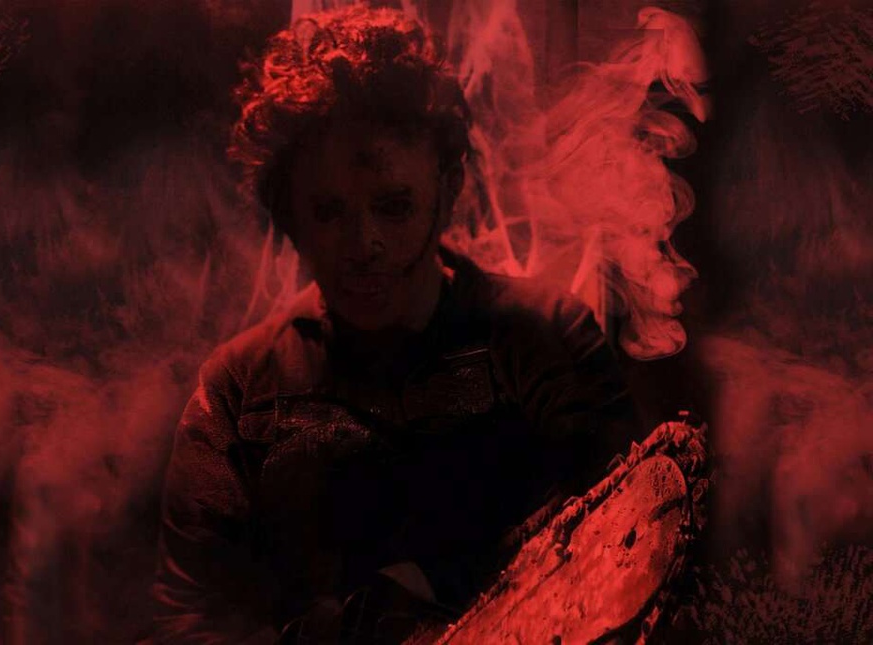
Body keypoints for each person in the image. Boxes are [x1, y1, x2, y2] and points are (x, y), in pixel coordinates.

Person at [150, 6, 641, 643]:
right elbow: (186, 621)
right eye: (329, 212)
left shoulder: (546, 343)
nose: (364, 245)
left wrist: (434, 588)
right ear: (289, 216)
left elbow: (627, 552)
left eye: (394, 206)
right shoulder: (237, 392)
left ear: (448, 189)